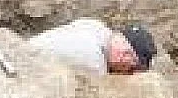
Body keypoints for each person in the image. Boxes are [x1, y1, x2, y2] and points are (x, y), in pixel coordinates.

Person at [27, 18, 157, 75]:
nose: (124, 58)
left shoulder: (95, 25)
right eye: (127, 52)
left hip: (17, 48)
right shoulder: (95, 63)